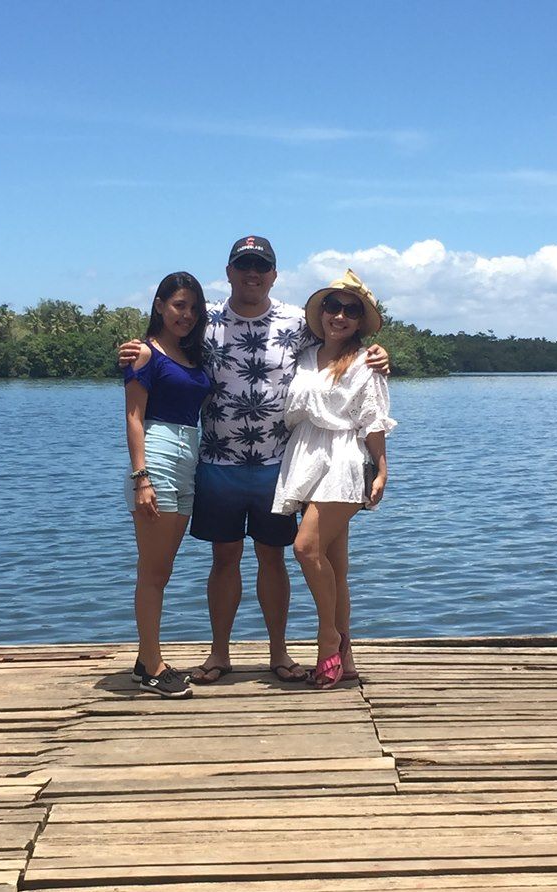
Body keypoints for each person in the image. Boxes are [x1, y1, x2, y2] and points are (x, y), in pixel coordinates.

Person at [118, 237, 388, 684]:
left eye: (260, 266)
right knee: (223, 559)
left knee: (273, 558)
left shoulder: (298, 322)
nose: (252, 274)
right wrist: (134, 350)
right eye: (243, 265)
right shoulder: (206, 323)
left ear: (274, 275)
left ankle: (278, 654)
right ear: (228, 271)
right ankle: (219, 653)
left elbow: (344, 346)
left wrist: (379, 354)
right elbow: (165, 344)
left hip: (278, 465)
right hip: (216, 462)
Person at [272, 270, 396, 689]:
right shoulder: (304, 355)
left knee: (305, 549)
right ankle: (348, 657)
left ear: (360, 321)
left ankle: (328, 638)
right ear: (321, 312)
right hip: (305, 458)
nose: (339, 316)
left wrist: (382, 470)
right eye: (332, 307)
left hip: (343, 459)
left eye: (350, 311)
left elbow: (373, 421)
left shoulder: (367, 362)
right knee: (335, 567)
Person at [124, 272, 211, 698]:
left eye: (194, 308)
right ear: (159, 305)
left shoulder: (192, 354)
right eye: (179, 305)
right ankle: (154, 666)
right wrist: (141, 477)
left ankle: (146, 660)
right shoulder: (145, 353)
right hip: (157, 452)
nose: (187, 315)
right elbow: (134, 417)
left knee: (163, 568)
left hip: (188, 456)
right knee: (153, 569)